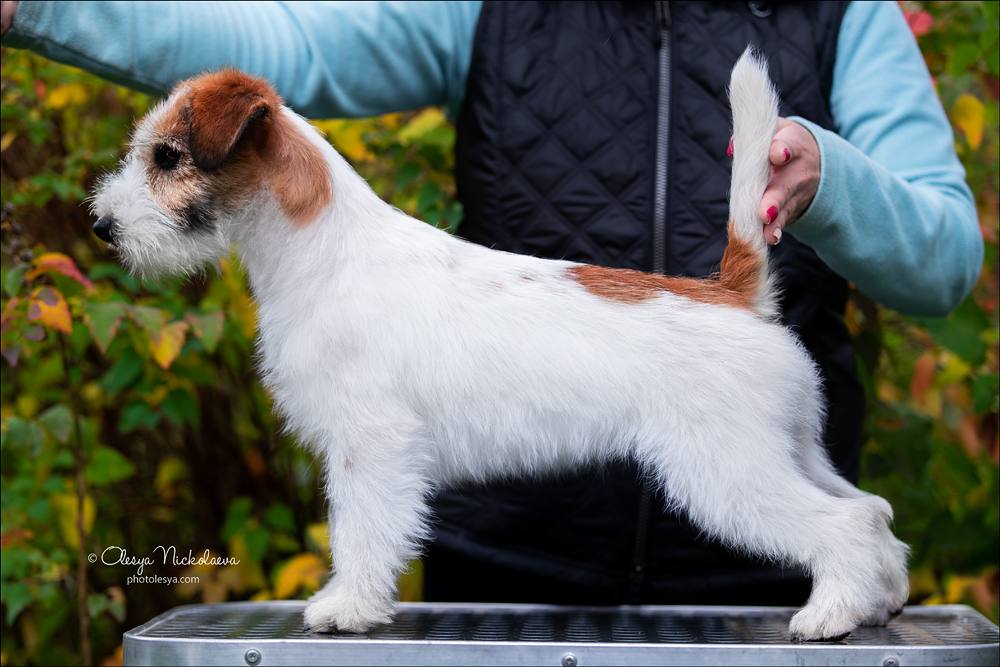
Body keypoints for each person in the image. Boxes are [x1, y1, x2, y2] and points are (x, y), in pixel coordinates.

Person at [2, 1, 982, 606]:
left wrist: (828, 180)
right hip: (504, 581)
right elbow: (281, 41)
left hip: (743, 577)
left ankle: (846, 546)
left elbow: (945, 256)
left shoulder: (845, 12)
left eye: (167, 164)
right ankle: (858, 542)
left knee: (765, 496)